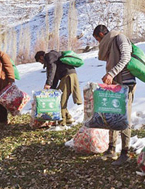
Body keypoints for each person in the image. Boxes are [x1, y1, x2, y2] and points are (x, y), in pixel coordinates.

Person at [92, 25, 136, 166]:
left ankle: (125, 152)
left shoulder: (120, 38)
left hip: (125, 84)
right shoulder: (110, 44)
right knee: (112, 114)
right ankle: (111, 148)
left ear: (101, 34)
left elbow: (126, 58)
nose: (99, 44)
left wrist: (111, 73)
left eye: (98, 39)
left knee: (124, 116)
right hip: (116, 84)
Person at [34, 50, 82, 125]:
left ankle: (62, 123)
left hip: (67, 76)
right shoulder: (54, 58)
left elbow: (52, 70)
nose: (42, 63)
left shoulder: (49, 57)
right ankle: (68, 118)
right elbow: (55, 77)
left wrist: (48, 84)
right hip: (68, 75)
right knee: (58, 97)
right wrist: (51, 90)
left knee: (61, 99)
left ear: (41, 57)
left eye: (40, 62)